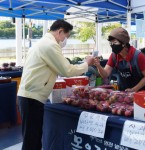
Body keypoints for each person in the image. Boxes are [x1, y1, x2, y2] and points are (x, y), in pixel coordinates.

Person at [17, 20, 94, 150]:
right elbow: (67, 70)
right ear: (60, 31)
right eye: (66, 36)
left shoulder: (41, 43)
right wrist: (87, 64)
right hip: (32, 98)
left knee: (33, 137)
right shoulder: (50, 45)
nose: (65, 40)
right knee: (32, 139)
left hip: (29, 96)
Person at [93, 27, 145, 92]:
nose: (112, 45)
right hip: (125, 93)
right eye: (111, 43)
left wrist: (134, 90)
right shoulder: (114, 56)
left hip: (143, 92)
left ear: (124, 43)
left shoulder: (138, 56)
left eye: (115, 42)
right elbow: (105, 74)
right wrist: (98, 66)